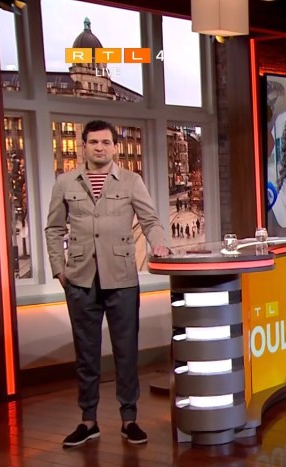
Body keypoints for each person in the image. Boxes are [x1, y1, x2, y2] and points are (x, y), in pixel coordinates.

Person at [44, 120, 169, 448]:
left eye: (105, 142)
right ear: (83, 146)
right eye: (93, 142)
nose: (99, 147)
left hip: (122, 278)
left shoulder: (131, 181)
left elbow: (151, 220)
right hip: (80, 279)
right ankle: (88, 421)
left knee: (126, 352)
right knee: (86, 353)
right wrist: (59, 270)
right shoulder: (65, 182)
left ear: (115, 147)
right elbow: (54, 229)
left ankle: (129, 419)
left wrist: (159, 243)